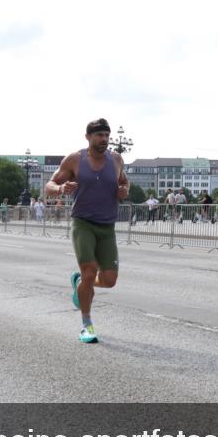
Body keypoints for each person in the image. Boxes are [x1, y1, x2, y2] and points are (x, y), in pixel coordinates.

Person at [46, 118, 129, 344]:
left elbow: (124, 182)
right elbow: (50, 185)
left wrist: (123, 190)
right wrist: (61, 188)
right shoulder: (74, 160)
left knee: (109, 280)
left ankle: (80, 284)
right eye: (99, 135)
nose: (103, 140)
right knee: (90, 270)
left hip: (107, 226)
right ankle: (86, 324)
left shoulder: (116, 159)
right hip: (83, 223)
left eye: (106, 136)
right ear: (88, 137)